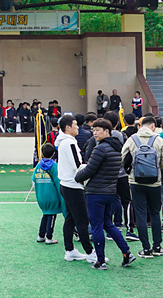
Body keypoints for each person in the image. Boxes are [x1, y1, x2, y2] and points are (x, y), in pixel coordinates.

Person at [74, 118, 136, 270]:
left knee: (97, 227)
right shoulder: (116, 147)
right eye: (93, 130)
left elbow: (90, 169)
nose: (94, 133)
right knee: (109, 224)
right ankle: (126, 253)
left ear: (106, 131)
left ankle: (100, 260)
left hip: (96, 192)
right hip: (110, 191)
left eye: (97, 130)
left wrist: (77, 177)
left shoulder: (100, 148)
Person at [121, 117, 163, 258]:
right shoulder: (158, 140)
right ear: (153, 126)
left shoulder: (132, 139)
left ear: (140, 126)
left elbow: (122, 158)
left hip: (136, 181)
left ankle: (146, 249)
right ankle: (157, 246)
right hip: (155, 182)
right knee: (155, 213)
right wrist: (155, 168)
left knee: (141, 214)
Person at [53, 115, 94, 263]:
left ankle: (70, 250)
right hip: (73, 186)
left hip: (66, 184)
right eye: (75, 125)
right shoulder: (69, 143)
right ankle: (90, 253)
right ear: (68, 127)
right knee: (82, 220)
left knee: (70, 219)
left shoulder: (64, 142)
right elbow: (78, 165)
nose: (78, 127)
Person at [33, 143, 61, 244]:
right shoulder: (54, 166)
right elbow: (58, 181)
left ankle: (41, 235)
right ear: (54, 154)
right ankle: (49, 237)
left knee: (45, 214)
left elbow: (33, 178)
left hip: (41, 196)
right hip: (52, 196)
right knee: (52, 215)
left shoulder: (38, 165)